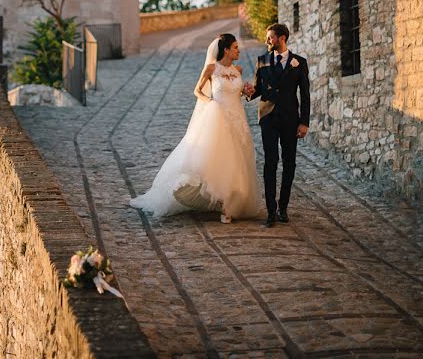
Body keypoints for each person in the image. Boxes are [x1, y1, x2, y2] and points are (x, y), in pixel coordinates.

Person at [129, 33, 262, 222]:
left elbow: (236, 93)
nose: (238, 50)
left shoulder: (238, 69)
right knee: (220, 160)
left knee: (237, 161)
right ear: (226, 50)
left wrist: (246, 91)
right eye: (235, 47)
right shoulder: (211, 68)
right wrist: (210, 102)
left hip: (237, 120)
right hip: (218, 119)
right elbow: (197, 91)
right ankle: (224, 206)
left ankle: (231, 202)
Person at [243, 23, 310, 228]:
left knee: (289, 163)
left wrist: (304, 122)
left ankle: (283, 207)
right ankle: (271, 211)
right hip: (269, 118)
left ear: (282, 38)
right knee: (270, 162)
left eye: (270, 37)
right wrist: (246, 91)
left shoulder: (300, 62)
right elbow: (258, 90)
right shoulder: (262, 61)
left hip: (291, 119)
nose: (267, 40)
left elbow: (305, 95)